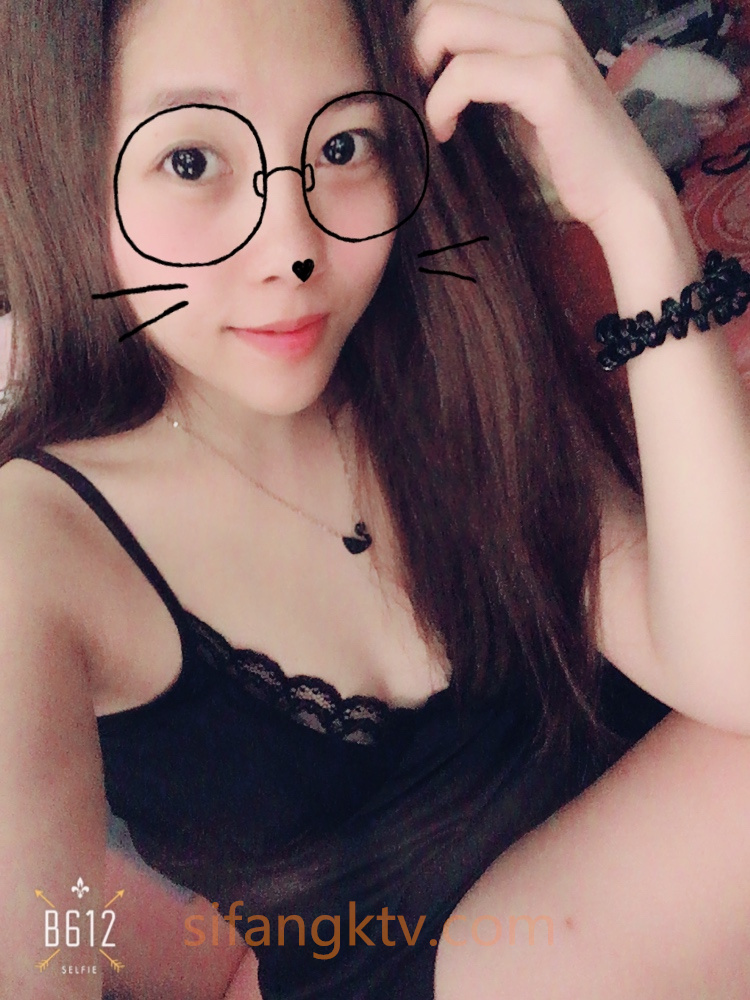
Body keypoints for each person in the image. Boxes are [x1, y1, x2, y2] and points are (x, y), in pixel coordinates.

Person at [2, 0, 750, 997]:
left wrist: (636, 216)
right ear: (64, 164)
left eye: (344, 144)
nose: (293, 250)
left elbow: (731, 662)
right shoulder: (36, 552)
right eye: (191, 161)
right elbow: (49, 948)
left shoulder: (448, 360)